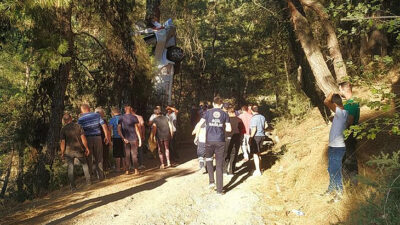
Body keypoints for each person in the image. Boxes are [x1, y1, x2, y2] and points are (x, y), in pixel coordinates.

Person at [193, 96, 231, 195]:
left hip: (209, 140)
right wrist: (221, 127)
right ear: (221, 104)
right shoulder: (225, 114)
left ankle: (211, 182)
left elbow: (199, 123)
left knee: (209, 159)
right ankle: (219, 190)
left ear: (213, 104)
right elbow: (229, 129)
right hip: (220, 141)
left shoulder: (207, 112)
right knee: (219, 165)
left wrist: (195, 133)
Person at [323, 93, 349, 202]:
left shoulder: (341, 113)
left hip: (338, 148)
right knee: (331, 169)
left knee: (336, 171)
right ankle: (331, 189)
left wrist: (332, 92)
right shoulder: (341, 114)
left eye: (333, 105)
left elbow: (326, 101)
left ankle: (339, 193)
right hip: (333, 147)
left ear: (335, 104)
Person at [78, 104, 109, 181]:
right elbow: (104, 126)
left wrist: (80, 143)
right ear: (89, 108)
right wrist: (106, 136)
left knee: (89, 158)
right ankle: (101, 176)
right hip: (97, 138)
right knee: (99, 157)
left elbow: (79, 131)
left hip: (87, 139)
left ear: (82, 110)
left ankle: (90, 178)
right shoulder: (96, 115)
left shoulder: (80, 119)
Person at [60, 113, 91, 190]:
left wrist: (62, 152)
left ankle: (73, 186)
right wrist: (86, 147)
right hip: (79, 149)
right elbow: (83, 138)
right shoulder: (78, 126)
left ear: (64, 121)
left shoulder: (63, 129)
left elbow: (62, 142)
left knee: (70, 168)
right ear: (71, 118)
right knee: (84, 165)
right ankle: (88, 181)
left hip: (68, 152)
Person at [339, 82, 360, 181]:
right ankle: (348, 182)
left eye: (340, 89)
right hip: (347, 133)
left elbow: (349, 121)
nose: (339, 92)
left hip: (349, 134)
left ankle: (353, 183)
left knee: (350, 158)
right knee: (344, 158)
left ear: (344, 90)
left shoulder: (351, 102)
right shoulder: (349, 102)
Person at [118, 105, 142, 175]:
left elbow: (118, 130)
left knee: (127, 155)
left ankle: (127, 170)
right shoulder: (134, 117)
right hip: (134, 138)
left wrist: (123, 138)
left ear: (125, 109)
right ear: (131, 109)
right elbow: (137, 129)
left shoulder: (121, 117)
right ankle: (136, 170)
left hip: (126, 138)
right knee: (134, 155)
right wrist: (139, 139)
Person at [224, 106, 243, 175]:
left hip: (227, 138)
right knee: (233, 155)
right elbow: (241, 130)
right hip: (236, 139)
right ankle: (231, 171)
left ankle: (224, 170)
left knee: (226, 154)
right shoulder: (239, 120)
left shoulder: (226, 120)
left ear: (228, 112)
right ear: (234, 111)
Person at [249, 105, 267, 176]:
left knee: (255, 154)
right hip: (262, 135)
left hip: (256, 136)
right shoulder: (262, 117)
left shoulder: (253, 118)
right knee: (259, 153)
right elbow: (266, 126)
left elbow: (254, 129)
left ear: (251, 110)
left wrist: (250, 138)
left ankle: (258, 171)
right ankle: (259, 168)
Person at [108, 107, 125, 172]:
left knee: (117, 153)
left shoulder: (112, 119)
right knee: (124, 152)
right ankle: (124, 167)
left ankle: (118, 168)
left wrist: (109, 139)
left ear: (113, 113)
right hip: (124, 137)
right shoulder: (123, 117)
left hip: (116, 137)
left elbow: (110, 129)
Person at [95, 107, 111, 171]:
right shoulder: (103, 120)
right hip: (103, 139)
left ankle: (101, 169)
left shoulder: (94, 120)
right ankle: (103, 169)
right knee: (104, 154)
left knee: (99, 155)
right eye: (103, 113)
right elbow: (108, 130)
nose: (103, 114)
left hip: (99, 139)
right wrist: (109, 140)